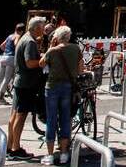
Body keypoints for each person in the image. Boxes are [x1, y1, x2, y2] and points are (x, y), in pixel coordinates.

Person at [39, 26, 82, 165]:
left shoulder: (52, 50)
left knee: (51, 119)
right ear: (69, 36)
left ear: (57, 37)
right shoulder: (76, 49)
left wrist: (51, 47)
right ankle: (64, 153)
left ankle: (50, 155)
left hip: (52, 87)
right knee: (65, 119)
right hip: (68, 87)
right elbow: (80, 69)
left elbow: (41, 64)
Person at [7, 16, 46, 159]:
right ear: (36, 28)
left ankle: (9, 145)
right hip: (26, 83)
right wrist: (43, 60)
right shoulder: (30, 41)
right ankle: (16, 149)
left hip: (20, 81)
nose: (43, 28)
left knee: (15, 114)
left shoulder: (25, 38)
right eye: (42, 26)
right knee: (21, 115)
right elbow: (29, 63)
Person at [0, 23, 23, 102]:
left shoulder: (9, 36)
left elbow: (1, 46)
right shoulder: (17, 36)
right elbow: (16, 44)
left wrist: (7, 51)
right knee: (6, 79)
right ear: (21, 31)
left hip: (3, 57)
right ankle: (1, 98)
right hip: (11, 58)